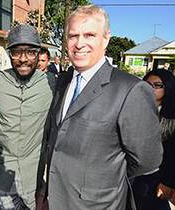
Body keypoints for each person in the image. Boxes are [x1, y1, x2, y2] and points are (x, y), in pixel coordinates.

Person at [43, 5, 163, 210]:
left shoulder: (131, 89)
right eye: (73, 36)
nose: (79, 43)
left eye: (89, 35)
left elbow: (147, 160)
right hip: (55, 200)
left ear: (106, 39)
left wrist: (106, 178)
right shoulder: (62, 82)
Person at [0, 24, 53, 210]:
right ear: (9, 54)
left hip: (34, 179)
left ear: (39, 54)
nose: (23, 59)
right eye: (16, 52)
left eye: (30, 52)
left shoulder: (51, 83)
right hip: (4, 178)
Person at [132, 69, 175, 210]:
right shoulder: (131, 109)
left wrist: (168, 182)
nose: (151, 89)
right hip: (131, 173)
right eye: (147, 84)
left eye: (157, 85)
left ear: (168, 87)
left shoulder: (171, 118)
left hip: (157, 178)